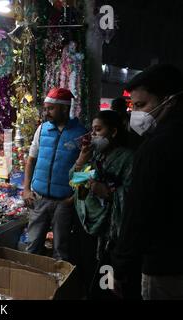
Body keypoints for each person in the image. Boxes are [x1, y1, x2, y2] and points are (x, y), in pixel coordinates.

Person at [112, 64, 183, 300]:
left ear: (169, 100)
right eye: (133, 107)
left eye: (141, 105)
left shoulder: (156, 147)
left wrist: (120, 267)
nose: (136, 115)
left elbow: (138, 211)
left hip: (165, 265)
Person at [70, 110, 134, 299]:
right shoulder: (94, 157)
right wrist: (81, 159)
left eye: (98, 130)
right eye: (92, 130)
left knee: (105, 281)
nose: (93, 135)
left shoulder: (128, 158)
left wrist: (107, 193)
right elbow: (73, 180)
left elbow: (133, 197)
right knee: (88, 271)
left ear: (113, 132)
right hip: (86, 224)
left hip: (109, 233)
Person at [23, 88, 87, 261]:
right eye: (46, 108)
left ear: (65, 109)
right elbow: (31, 160)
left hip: (63, 202)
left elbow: (87, 168)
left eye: (51, 108)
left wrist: (74, 197)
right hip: (39, 198)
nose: (46, 112)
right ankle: (28, 282)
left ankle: (59, 285)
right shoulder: (42, 129)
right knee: (33, 245)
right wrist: (26, 188)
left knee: (61, 249)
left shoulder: (81, 133)